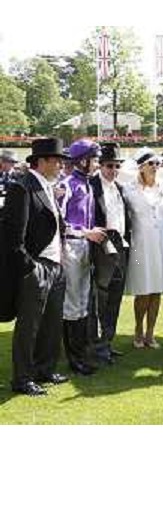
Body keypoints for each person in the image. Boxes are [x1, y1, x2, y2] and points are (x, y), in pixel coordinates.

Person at [3, 138, 69, 396]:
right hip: (37, 266)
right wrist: (30, 268)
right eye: (57, 160)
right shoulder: (23, 187)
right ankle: (22, 378)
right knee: (29, 326)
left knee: (52, 323)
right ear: (41, 161)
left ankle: (45, 369)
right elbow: (13, 236)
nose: (61, 165)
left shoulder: (48, 186)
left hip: (55, 264)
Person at [57, 139, 106, 376]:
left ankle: (83, 352)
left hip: (86, 246)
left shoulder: (86, 184)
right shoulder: (67, 185)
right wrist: (86, 232)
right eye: (95, 159)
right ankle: (74, 359)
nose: (97, 164)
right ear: (83, 160)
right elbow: (58, 223)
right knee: (73, 304)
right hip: (71, 247)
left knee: (84, 302)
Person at [123, 148, 163, 349]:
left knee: (157, 291)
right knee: (143, 291)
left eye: (157, 164)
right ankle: (138, 329)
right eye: (151, 164)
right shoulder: (129, 189)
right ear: (141, 167)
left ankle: (151, 333)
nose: (155, 167)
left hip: (160, 244)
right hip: (140, 246)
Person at [89, 142, 130, 363]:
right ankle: (98, 346)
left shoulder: (120, 188)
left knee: (115, 296)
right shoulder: (90, 186)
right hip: (101, 243)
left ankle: (108, 341)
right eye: (109, 166)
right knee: (100, 297)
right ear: (100, 165)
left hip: (120, 244)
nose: (113, 170)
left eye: (116, 166)